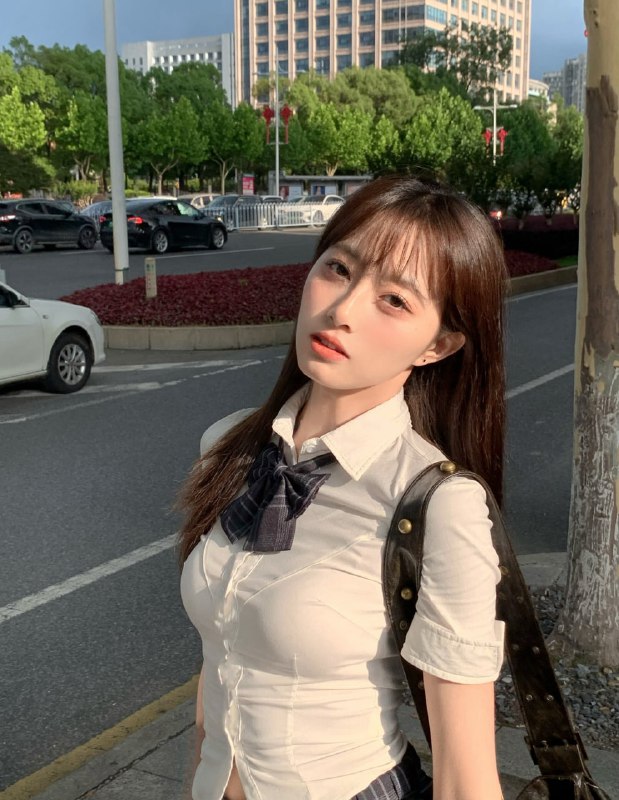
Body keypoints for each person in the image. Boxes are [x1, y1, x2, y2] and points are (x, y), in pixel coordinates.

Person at [178, 174, 507, 800]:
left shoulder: (440, 505)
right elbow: (219, 656)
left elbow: (467, 779)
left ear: (438, 345)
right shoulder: (228, 448)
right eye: (338, 269)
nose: (342, 310)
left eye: (394, 300)